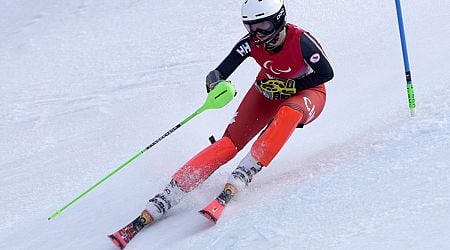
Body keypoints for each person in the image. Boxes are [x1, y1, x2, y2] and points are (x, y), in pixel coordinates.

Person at [140, 0, 334, 224]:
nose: (257, 34)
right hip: (268, 89)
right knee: (229, 143)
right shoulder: (250, 43)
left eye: (263, 26)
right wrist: (214, 81)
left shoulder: (301, 41)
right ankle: (174, 189)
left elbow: (326, 73)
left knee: (288, 113)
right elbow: (222, 69)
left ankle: (246, 170)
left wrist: (291, 87)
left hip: (308, 93)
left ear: (278, 20)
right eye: (251, 27)